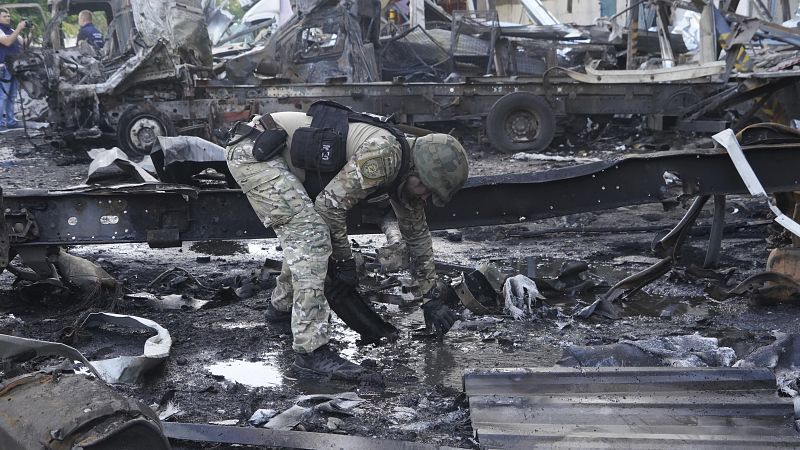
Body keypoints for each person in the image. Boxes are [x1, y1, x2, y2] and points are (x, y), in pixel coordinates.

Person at [225, 103, 469, 381]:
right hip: (255, 152)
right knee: (312, 236)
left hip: (270, 151)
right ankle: (311, 352)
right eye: (426, 188)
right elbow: (329, 207)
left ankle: (280, 311)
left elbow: (418, 236)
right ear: (417, 169)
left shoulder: (408, 175)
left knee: (307, 233)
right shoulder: (385, 154)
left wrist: (430, 297)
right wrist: (344, 261)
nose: (424, 197)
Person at [0, 8, 25, 132]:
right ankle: (0, 124)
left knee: (12, 95)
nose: (8, 18)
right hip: (3, 67)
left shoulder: (11, 30)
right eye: (5, 16)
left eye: (9, 16)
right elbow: (8, 42)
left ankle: (10, 121)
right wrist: (19, 28)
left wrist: (30, 32)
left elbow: (25, 44)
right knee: (2, 96)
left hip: (14, 67)